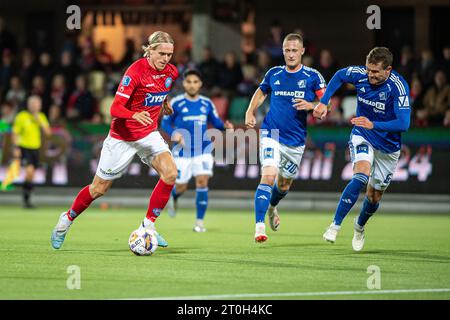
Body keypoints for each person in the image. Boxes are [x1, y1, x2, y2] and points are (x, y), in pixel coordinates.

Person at [50, 31, 179, 250]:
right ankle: (66, 220)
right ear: (150, 50)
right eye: (161, 53)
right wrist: (133, 114)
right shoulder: (135, 72)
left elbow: (161, 88)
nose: (166, 59)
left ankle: (148, 226)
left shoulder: (171, 72)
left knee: (171, 174)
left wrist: (164, 102)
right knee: (98, 189)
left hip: (148, 133)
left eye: (170, 54)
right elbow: (114, 108)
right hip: (123, 137)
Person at [314, 47, 411, 251]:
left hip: (388, 147)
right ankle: (335, 225)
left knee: (374, 197)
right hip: (363, 135)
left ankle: (359, 226)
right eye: (368, 69)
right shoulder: (360, 75)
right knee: (360, 176)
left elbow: (404, 123)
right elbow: (340, 75)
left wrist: (373, 124)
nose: (370, 75)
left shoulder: (398, 87)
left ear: (388, 70)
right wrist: (324, 101)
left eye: (375, 72)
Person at [245, 33, 327, 242]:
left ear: (302, 51)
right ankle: (259, 227)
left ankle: (272, 207)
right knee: (268, 176)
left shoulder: (313, 76)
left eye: (294, 50)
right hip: (271, 133)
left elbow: (327, 107)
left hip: (296, 141)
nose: (290, 55)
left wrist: (311, 106)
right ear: (283, 51)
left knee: (283, 186)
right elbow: (261, 92)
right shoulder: (274, 73)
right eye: (287, 50)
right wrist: (250, 111)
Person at [162, 69, 234, 232]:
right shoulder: (176, 102)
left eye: (195, 82)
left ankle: (199, 222)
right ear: (184, 84)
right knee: (181, 186)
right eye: (189, 82)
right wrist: (175, 134)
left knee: (202, 181)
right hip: (182, 152)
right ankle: (174, 196)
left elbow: (215, 122)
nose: (192, 85)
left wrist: (225, 127)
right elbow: (165, 123)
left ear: (200, 84)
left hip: (203, 150)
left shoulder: (206, 103)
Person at [11, 95, 52, 208]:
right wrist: (16, 147)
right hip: (24, 148)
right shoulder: (22, 116)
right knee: (29, 171)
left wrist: (39, 121)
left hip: (36, 148)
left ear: (40, 106)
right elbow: (15, 133)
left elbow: (48, 133)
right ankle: (26, 199)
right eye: (32, 104)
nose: (34, 106)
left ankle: (27, 197)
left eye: (37, 104)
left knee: (32, 174)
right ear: (29, 105)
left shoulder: (41, 117)